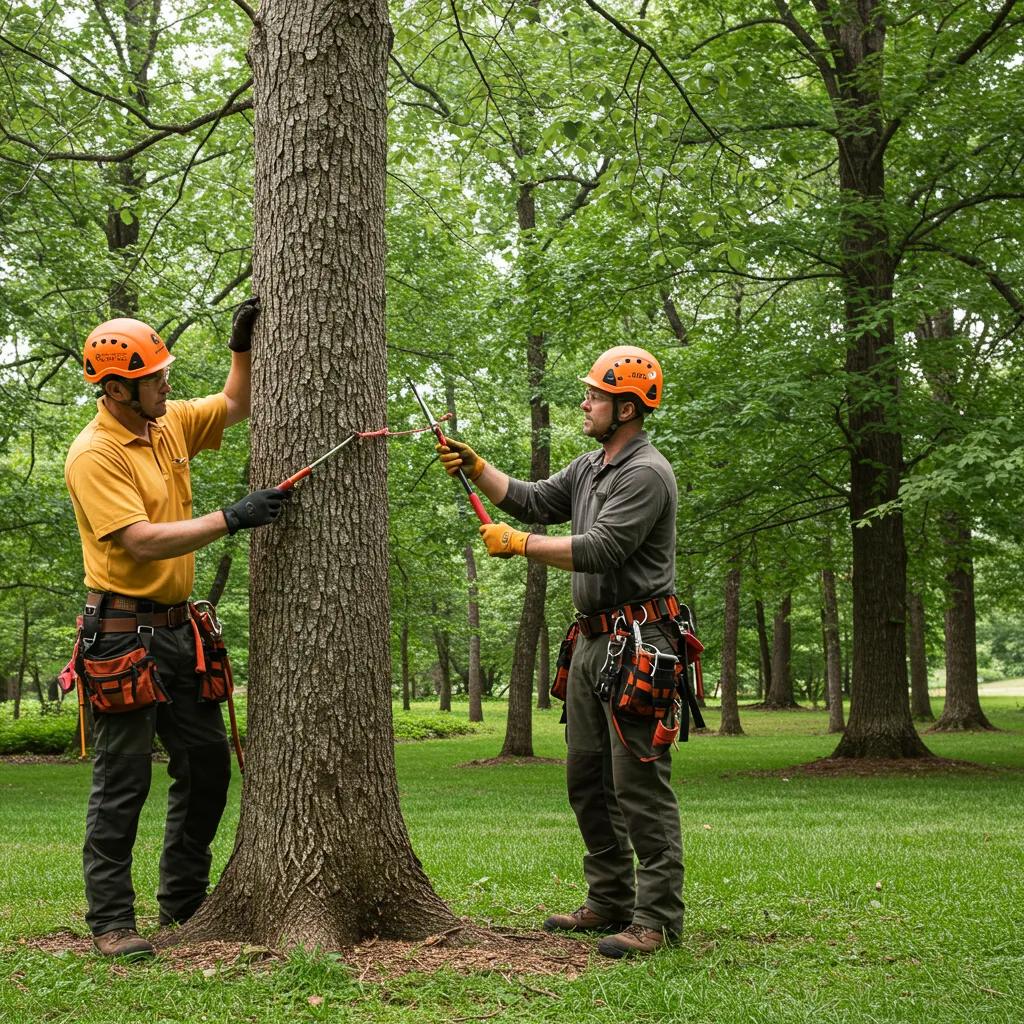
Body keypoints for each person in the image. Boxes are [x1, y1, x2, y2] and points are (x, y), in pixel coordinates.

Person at [438, 346, 686, 959]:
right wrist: (477, 467)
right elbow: (529, 498)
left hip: (641, 643)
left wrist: (520, 546)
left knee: (639, 783)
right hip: (593, 642)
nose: (585, 403)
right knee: (586, 778)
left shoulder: (645, 473)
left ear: (626, 407)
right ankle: (609, 900)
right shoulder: (592, 466)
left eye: (595, 396)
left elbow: (601, 548)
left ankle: (655, 919)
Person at [64, 300, 289, 958]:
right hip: (121, 636)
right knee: (123, 779)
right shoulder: (95, 454)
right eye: (155, 377)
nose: (167, 383)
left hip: (177, 632)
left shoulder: (166, 425)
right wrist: (233, 517)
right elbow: (141, 541)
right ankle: (110, 922)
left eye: (164, 373)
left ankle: (184, 901)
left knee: (208, 765)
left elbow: (234, 403)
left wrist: (240, 347)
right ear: (115, 388)